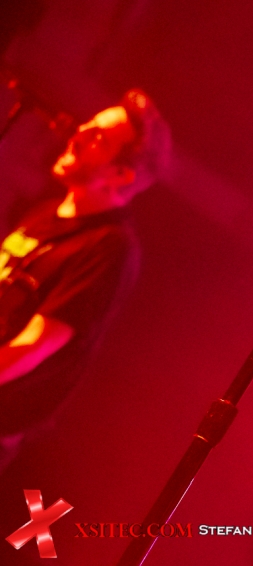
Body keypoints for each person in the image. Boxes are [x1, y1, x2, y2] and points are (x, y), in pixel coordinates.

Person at [0, 89, 171, 472]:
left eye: (99, 138)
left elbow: (35, 345)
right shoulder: (46, 213)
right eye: (89, 124)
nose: (79, 133)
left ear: (120, 174)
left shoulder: (111, 248)